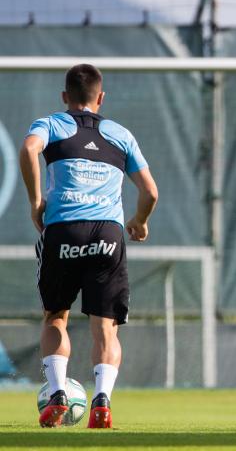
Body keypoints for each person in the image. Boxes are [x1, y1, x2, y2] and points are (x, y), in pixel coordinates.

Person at [19, 64, 158, 428]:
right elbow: (150, 191)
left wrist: (36, 201)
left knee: (55, 317)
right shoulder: (120, 134)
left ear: (65, 97)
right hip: (107, 235)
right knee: (106, 327)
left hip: (63, 230)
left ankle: (57, 393)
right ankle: (102, 403)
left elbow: (28, 150)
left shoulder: (49, 124)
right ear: (101, 98)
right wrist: (140, 222)